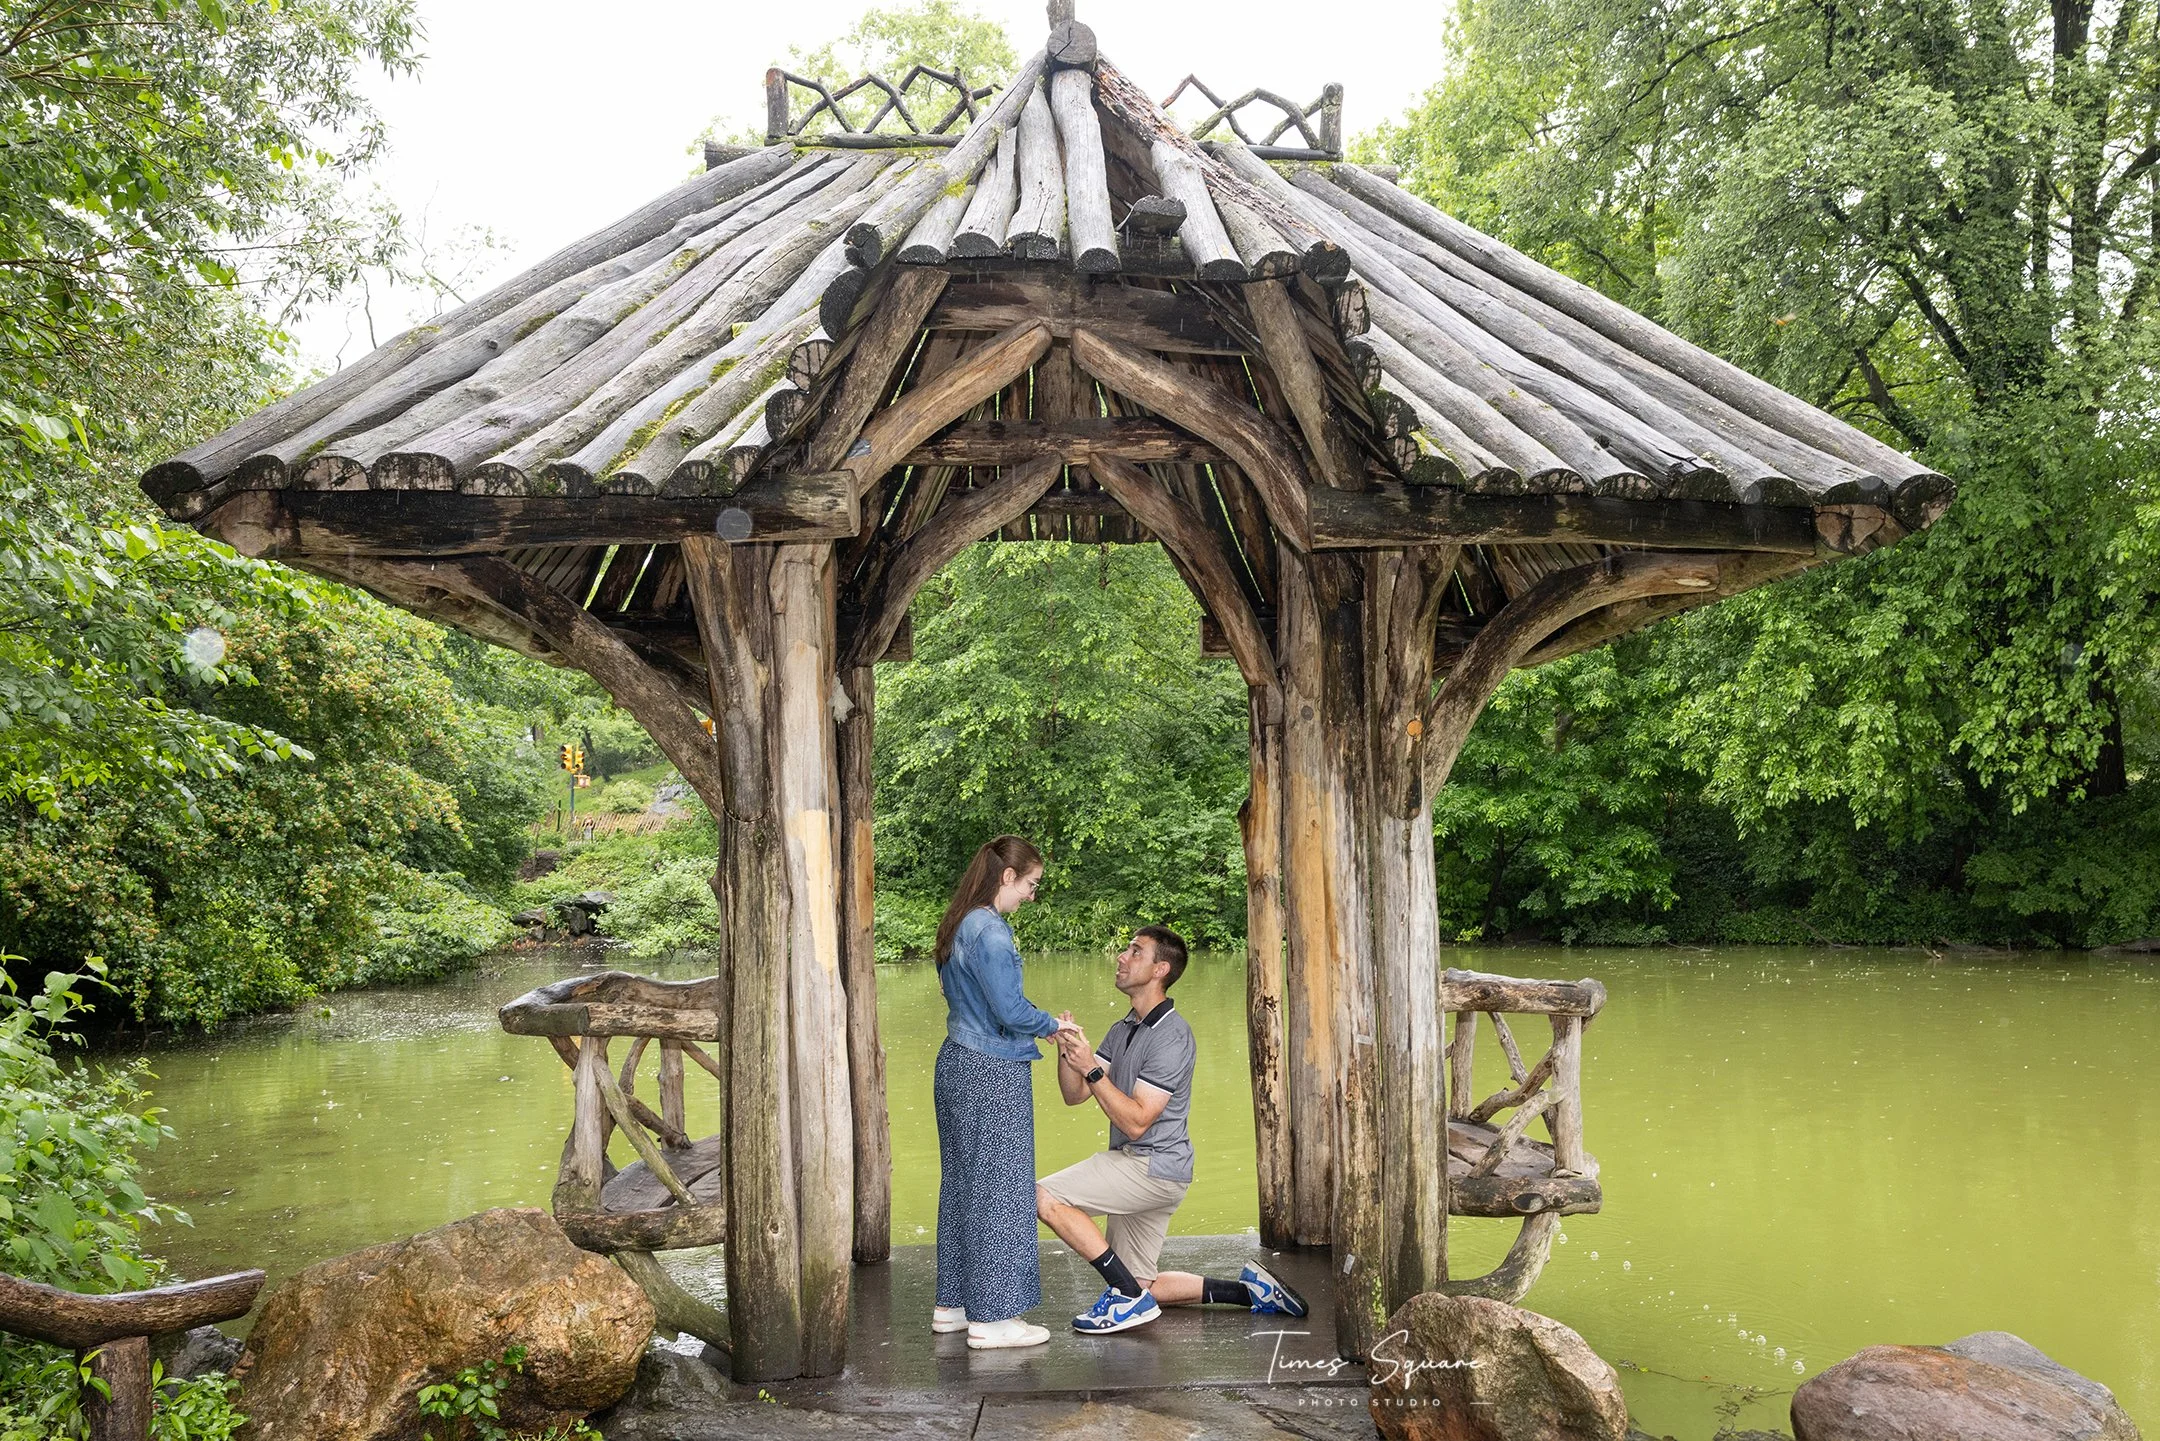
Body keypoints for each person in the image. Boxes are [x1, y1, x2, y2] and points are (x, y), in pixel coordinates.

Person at [1035, 925, 1309, 1334]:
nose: (1122, 957)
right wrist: (1069, 1052)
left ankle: (1125, 1297)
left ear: (1160, 969)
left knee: (1041, 1196)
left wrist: (1091, 1067)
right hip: (1148, 1167)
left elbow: (1136, 1120)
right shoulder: (1123, 1027)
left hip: (1151, 1167)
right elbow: (1076, 1096)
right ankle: (1250, 1293)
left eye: (1135, 952)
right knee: (1142, 1282)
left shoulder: (1173, 1036)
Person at [931, 835, 1072, 1351]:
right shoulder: (990, 930)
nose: (1032, 895)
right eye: (1031, 883)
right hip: (990, 1070)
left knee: (963, 1184)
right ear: (1007, 877)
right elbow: (1010, 1012)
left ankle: (955, 1304)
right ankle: (993, 1320)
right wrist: (1053, 1024)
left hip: (957, 1061)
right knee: (1001, 1188)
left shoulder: (958, 923)